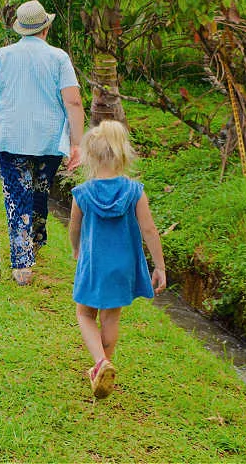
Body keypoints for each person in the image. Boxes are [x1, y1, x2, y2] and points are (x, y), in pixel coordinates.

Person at [0, 0, 84, 286]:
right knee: (39, 193)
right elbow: (74, 102)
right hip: (48, 141)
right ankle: (34, 243)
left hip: (11, 139)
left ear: (20, 29)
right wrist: (77, 144)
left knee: (17, 196)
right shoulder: (59, 58)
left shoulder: (3, 56)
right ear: (45, 28)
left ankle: (22, 264)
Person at [68, 120, 167, 400]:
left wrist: (76, 250)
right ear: (123, 155)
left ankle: (100, 362)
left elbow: (74, 228)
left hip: (94, 264)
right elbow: (149, 230)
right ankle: (104, 367)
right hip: (123, 266)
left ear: (89, 156)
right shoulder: (135, 191)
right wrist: (158, 266)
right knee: (111, 316)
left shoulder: (82, 194)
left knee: (85, 313)